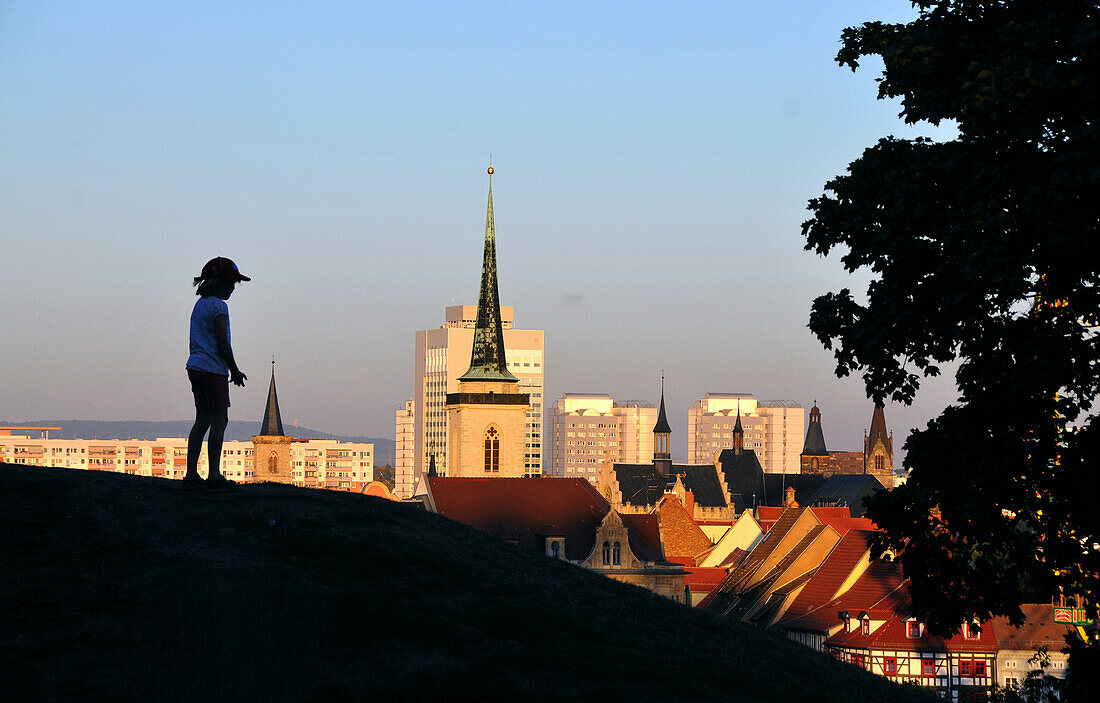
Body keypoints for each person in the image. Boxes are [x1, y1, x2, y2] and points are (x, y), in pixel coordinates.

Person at [185, 257, 249, 490]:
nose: (233, 287)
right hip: (213, 370)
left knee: (201, 421)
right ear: (218, 283)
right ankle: (213, 475)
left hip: (195, 367)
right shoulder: (220, 307)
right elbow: (223, 342)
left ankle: (191, 473)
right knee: (220, 421)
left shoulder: (199, 305)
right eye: (231, 282)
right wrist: (234, 369)